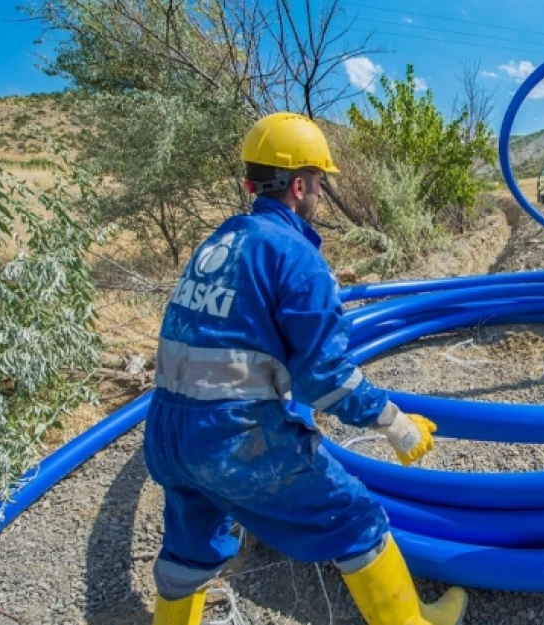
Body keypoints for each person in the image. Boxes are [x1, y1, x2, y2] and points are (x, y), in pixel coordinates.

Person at [142, 112, 468, 625]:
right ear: (298, 185)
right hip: (232, 438)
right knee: (354, 517)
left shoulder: (219, 243)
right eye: (319, 180)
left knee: (191, 541)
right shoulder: (294, 255)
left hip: (167, 434)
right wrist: (393, 423)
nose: (320, 192)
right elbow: (326, 378)